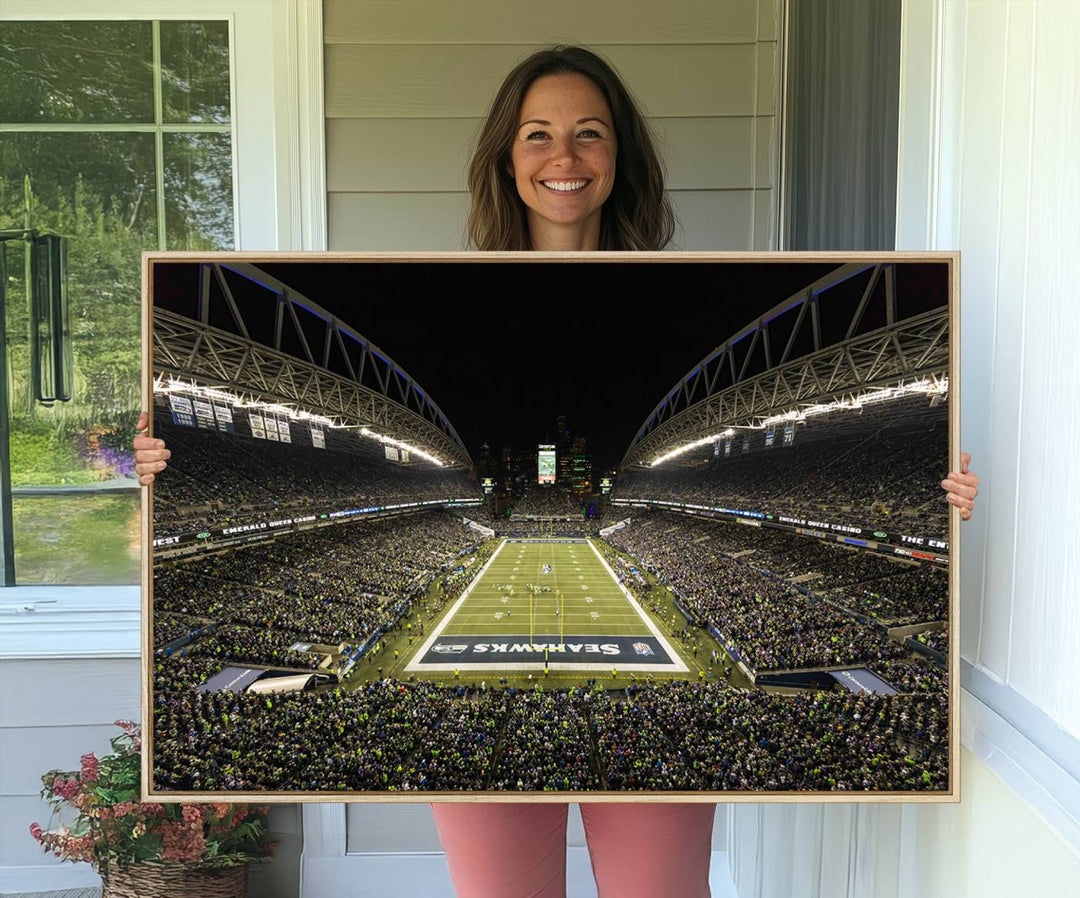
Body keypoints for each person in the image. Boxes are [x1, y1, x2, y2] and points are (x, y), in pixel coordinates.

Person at [134, 44, 979, 898]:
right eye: (537, 134)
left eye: (589, 134)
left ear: (621, 158)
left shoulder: (673, 292)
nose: (563, 157)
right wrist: (168, 462)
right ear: (506, 157)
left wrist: (931, 491)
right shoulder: (458, 291)